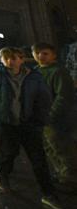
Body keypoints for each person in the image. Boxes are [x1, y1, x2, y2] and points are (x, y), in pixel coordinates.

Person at [0, 47, 66, 209]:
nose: (10, 61)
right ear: (1, 60)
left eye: (14, 58)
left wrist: (41, 118)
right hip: (7, 123)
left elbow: (43, 97)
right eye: (6, 58)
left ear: (22, 59)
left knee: (38, 158)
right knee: (8, 153)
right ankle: (2, 174)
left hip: (30, 123)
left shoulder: (33, 76)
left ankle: (48, 193)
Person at [32, 42, 77, 190]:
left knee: (62, 148)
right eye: (37, 53)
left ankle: (70, 178)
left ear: (53, 55)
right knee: (49, 148)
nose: (41, 56)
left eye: (45, 53)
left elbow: (63, 97)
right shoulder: (35, 71)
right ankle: (62, 175)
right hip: (41, 119)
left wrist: (50, 115)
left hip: (56, 120)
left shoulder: (58, 72)